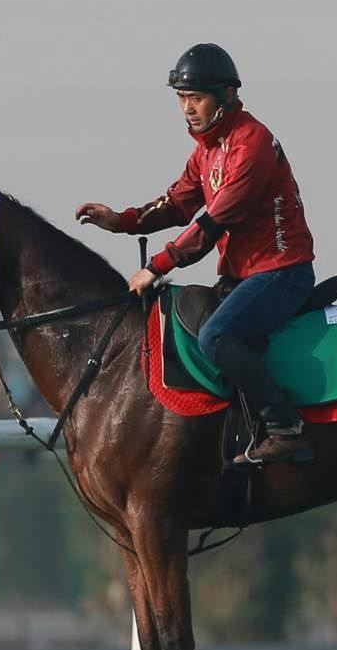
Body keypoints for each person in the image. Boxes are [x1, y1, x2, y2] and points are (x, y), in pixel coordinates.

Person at [74, 43, 318, 464]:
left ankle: (286, 428)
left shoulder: (251, 144)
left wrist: (156, 267)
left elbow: (212, 223)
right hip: (243, 276)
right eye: (182, 98)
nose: (187, 108)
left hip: (282, 272)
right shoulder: (207, 150)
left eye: (196, 98)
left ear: (225, 97)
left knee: (215, 337)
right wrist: (122, 220)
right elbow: (176, 203)